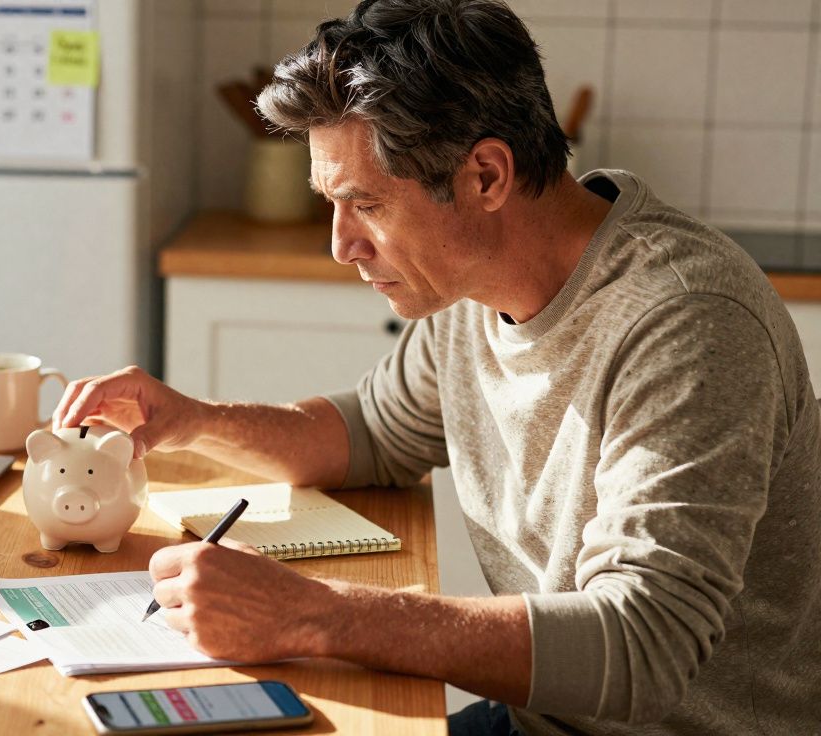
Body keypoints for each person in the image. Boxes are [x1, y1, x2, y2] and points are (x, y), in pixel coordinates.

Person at [52, 0, 821, 734]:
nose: (341, 245)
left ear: (485, 176)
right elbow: (370, 436)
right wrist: (192, 419)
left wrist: (312, 612)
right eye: (331, 203)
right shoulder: (470, 288)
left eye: (368, 205)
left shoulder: (687, 321)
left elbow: (645, 647)